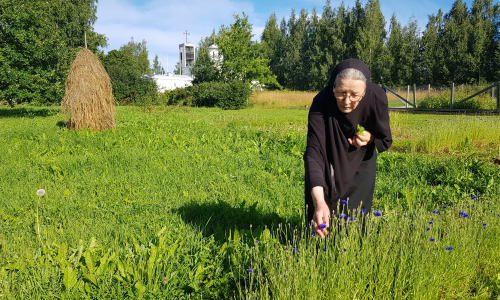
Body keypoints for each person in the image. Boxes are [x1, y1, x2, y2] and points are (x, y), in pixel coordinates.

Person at [304, 58, 392, 238]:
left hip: (362, 161)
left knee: (355, 217)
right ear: (333, 88)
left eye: (355, 95)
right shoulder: (321, 103)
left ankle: (351, 254)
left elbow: (383, 137)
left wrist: (369, 138)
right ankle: (319, 251)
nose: (346, 101)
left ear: (365, 92)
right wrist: (319, 202)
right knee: (322, 208)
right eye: (341, 92)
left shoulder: (376, 98)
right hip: (327, 158)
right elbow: (314, 154)